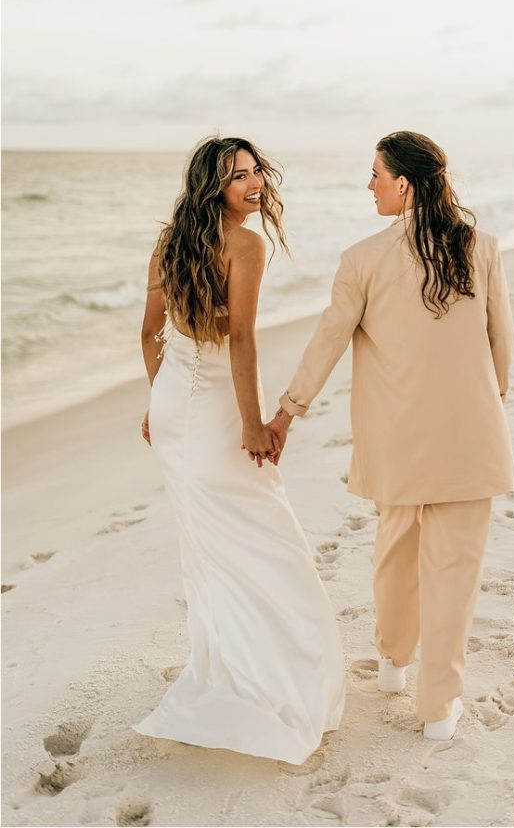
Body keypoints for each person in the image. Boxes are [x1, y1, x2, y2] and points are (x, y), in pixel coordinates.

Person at [267, 130, 514, 742]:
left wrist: (287, 411)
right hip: (469, 431)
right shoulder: (480, 248)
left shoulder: (362, 259)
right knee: (455, 568)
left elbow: (328, 339)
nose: (369, 185)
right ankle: (438, 707)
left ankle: (392, 659)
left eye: (375, 174)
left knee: (396, 549)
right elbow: (500, 341)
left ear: (403, 183)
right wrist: (491, 398)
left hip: (397, 436)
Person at [135, 135, 345, 764]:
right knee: (262, 535)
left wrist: (159, 400)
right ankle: (267, 678)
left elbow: (150, 334)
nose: (252, 185)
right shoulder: (246, 244)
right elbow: (244, 341)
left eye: (255, 173)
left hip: (174, 405)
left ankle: (229, 661)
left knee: (211, 542)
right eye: (236, 178)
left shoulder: (170, 239)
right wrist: (254, 425)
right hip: (216, 410)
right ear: (212, 187)